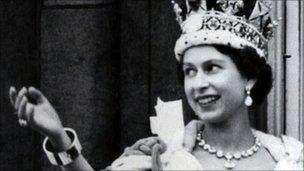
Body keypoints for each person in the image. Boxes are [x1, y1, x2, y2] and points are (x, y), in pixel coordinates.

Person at [9, 0, 303, 170]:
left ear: (249, 76)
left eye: (211, 68)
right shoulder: (162, 155)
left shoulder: (290, 160)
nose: (197, 84)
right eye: (189, 71)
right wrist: (61, 138)